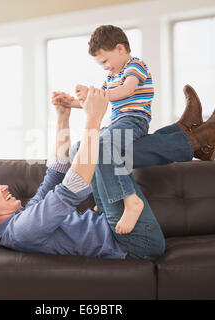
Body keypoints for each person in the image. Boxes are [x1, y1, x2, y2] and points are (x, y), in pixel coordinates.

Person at [0, 85, 215, 261]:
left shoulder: (23, 216)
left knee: (85, 149)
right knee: (98, 146)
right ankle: (191, 140)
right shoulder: (22, 230)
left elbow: (56, 173)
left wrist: (63, 116)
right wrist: (93, 119)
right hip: (133, 242)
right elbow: (72, 187)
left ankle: (184, 133)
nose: (4, 187)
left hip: (119, 228)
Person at [57, 25, 154, 235]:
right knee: (81, 149)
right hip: (117, 122)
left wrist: (95, 94)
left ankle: (131, 200)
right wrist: (71, 102)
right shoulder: (110, 78)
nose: (104, 67)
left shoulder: (134, 66)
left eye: (105, 61)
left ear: (120, 49)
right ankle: (101, 201)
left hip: (134, 119)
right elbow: (94, 103)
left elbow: (127, 90)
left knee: (101, 144)